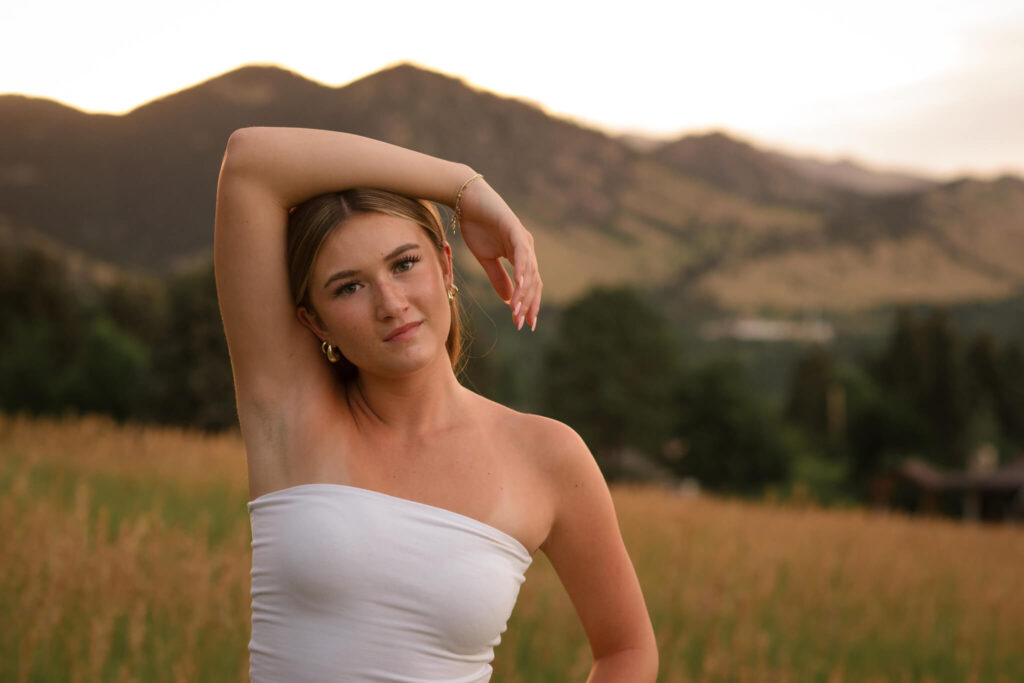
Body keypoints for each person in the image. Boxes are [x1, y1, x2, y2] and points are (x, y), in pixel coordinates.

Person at [214, 127, 658, 682]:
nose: (391, 304)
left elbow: (627, 651)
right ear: (313, 320)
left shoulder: (547, 455)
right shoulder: (291, 414)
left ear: (446, 267)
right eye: (348, 286)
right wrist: (464, 189)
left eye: (404, 264)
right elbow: (251, 162)